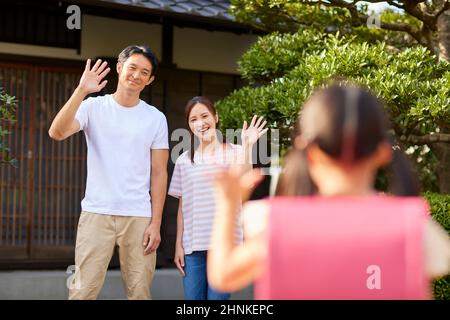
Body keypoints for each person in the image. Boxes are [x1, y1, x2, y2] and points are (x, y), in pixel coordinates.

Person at [207, 82, 450, 298]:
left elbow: (224, 275)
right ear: (382, 153)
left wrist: (228, 204)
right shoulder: (416, 228)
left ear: (309, 153)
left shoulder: (271, 222)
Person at [48, 45, 169, 300]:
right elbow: (56, 133)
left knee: (140, 293)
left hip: (139, 216)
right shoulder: (94, 107)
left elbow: (159, 173)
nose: (136, 75)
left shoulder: (156, 118)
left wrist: (156, 223)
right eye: (132, 67)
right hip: (96, 212)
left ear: (150, 80)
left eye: (144, 72)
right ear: (119, 68)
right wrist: (82, 90)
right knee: (82, 291)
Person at [168, 96, 267, 300]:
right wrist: (179, 244)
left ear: (216, 117)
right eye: (193, 119)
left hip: (224, 246)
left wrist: (248, 145)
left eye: (205, 116)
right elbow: (182, 206)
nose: (200, 123)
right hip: (193, 248)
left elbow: (246, 183)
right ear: (189, 125)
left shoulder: (236, 152)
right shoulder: (184, 160)